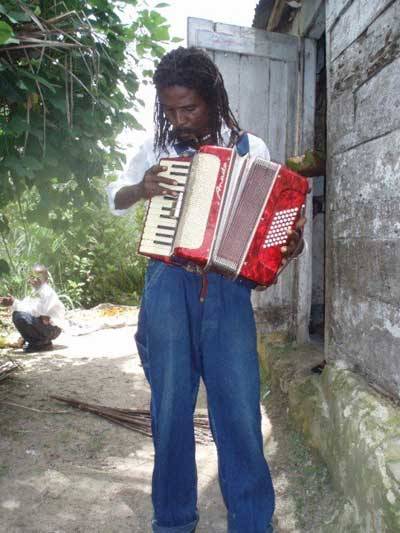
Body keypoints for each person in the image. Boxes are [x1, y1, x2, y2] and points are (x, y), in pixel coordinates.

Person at [107, 47, 305, 533]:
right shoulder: (156, 149)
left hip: (227, 291)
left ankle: (252, 522)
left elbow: (270, 232)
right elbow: (116, 196)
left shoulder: (251, 149)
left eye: (189, 108)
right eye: (170, 109)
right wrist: (142, 189)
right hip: (167, 285)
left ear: (213, 99)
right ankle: (174, 521)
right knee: (171, 408)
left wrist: (287, 242)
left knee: (238, 409)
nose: (179, 119)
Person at [0, 264, 65, 353]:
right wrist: (12, 303)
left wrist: (14, 303)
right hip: (47, 326)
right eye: (32, 277)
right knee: (18, 314)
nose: (34, 280)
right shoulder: (35, 292)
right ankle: (39, 342)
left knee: (20, 316)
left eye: (38, 277)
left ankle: (42, 344)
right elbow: (26, 306)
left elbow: (38, 313)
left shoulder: (46, 292)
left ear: (46, 280)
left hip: (52, 328)